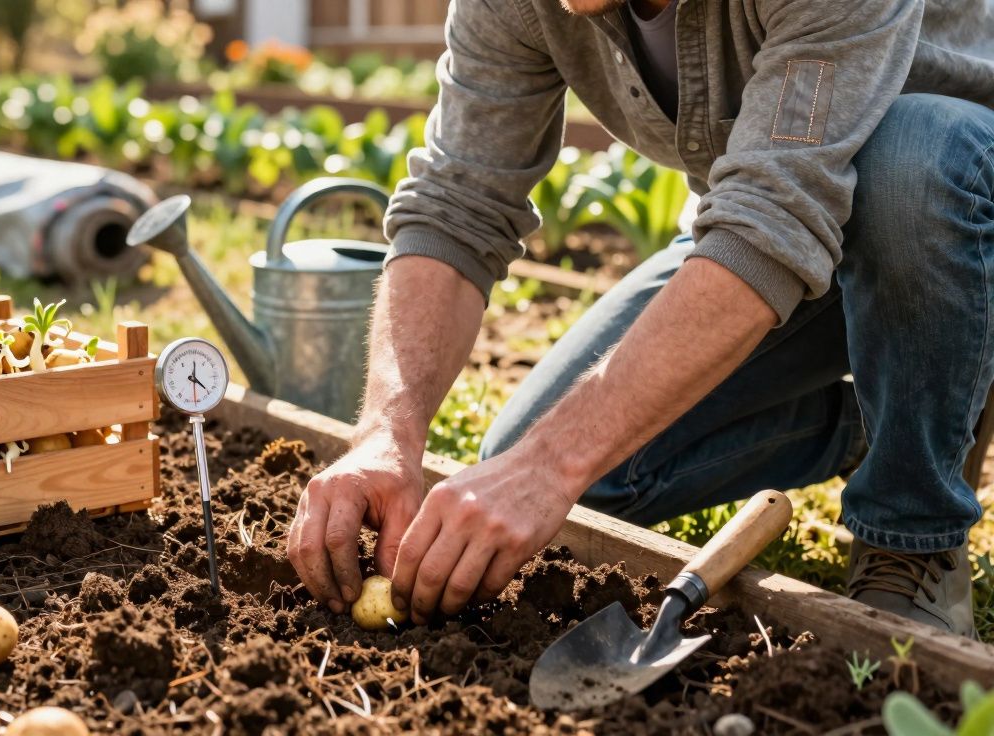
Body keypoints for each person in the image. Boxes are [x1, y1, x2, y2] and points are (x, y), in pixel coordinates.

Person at [287, 0, 994, 637]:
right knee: (574, 489)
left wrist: (548, 462)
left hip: (956, 229)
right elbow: (454, 205)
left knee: (912, 157)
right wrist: (387, 433)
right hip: (788, 232)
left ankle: (913, 532)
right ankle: (890, 411)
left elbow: (769, 226)